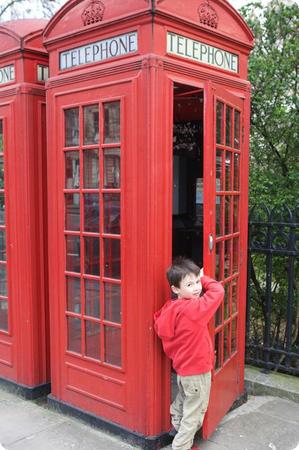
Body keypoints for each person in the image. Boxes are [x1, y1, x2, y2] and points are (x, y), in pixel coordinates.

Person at [154, 257, 224, 450]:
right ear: (175, 289)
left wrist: (197, 281)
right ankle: (181, 445)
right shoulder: (194, 308)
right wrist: (204, 277)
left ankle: (175, 427)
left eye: (196, 283)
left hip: (183, 369)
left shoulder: (170, 308)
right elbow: (218, 291)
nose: (196, 288)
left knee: (184, 398)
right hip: (198, 369)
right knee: (195, 411)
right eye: (189, 284)